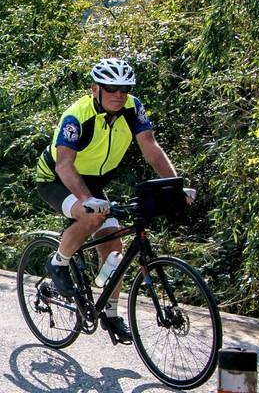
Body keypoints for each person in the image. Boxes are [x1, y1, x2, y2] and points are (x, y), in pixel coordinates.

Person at [33, 58, 191, 345]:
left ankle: (110, 313)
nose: (119, 94)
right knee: (91, 216)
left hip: (93, 181)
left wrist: (174, 186)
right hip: (56, 178)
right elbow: (65, 165)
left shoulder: (133, 108)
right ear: (96, 89)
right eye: (112, 88)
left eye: (125, 89)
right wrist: (87, 200)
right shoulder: (76, 117)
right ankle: (58, 262)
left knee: (115, 248)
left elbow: (151, 149)